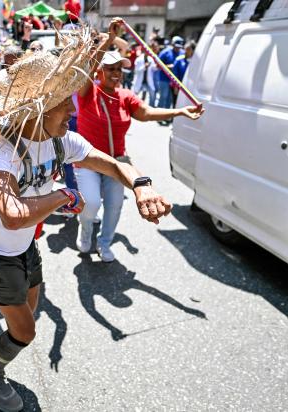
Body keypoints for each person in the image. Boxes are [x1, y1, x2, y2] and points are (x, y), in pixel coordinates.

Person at [0, 19, 173, 412]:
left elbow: (112, 165)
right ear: (36, 112)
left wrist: (142, 184)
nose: (71, 109)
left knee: (31, 309)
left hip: (24, 245)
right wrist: (64, 195)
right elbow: (12, 215)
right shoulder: (0, 153)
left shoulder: (61, 137)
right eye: (62, 104)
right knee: (26, 331)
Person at [76, 30, 204, 263]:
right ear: (99, 71)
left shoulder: (125, 95)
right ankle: (85, 230)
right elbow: (87, 66)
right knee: (91, 204)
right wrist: (109, 39)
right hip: (88, 160)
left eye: (119, 69)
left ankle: (104, 244)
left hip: (118, 162)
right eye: (110, 68)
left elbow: (145, 113)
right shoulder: (88, 92)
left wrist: (179, 111)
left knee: (114, 206)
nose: (116, 73)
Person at [156, 35, 184, 117]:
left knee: (169, 99)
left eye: (179, 47)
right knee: (163, 97)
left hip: (175, 81)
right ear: (172, 44)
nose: (177, 49)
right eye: (176, 47)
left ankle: (166, 116)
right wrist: (170, 66)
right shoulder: (165, 52)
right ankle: (158, 116)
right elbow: (157, 65)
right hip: (164, 79)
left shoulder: (182, 53)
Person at [172, 41, 196, 107]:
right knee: (177, 105)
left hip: (190, 88)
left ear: (193, 50)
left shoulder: (196, 61)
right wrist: (176, 87)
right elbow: (175, 74)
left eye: (188, 49)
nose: (185, 51)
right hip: (180, 87)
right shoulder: (179, 60)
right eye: (185, 49)